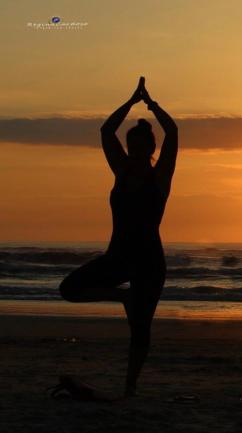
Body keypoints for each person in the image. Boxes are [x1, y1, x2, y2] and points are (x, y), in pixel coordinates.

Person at [58, 76, 178, 398]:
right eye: (131, 147)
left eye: (141, 147)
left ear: (151, 149)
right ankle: (121, 296)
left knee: (140, 329)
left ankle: (130, 387)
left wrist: (152, 105)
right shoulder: (121, 172)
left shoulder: (160, 178)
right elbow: (106, 131)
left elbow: (173, 133)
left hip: (149, 262)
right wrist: (131, 101)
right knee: (69, 289)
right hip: (118, 257)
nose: (135, 152)